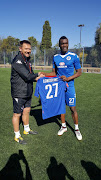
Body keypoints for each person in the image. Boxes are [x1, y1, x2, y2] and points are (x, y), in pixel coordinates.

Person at [41, 36, 82, 140]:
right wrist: (44, 74)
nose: (64, 45)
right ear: (59, 45)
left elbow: (79, 72)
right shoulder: (55, 57)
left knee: (72, 108)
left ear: (68, 44)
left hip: (70, 87)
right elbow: (54, 73)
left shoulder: (74, 56)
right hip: (59, 87)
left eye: (66, 43)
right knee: (61, 107)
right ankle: (63, 126)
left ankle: (76, 129)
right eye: (62, 43)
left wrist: (68, 78)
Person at [11, 40, 44, 144]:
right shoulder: (17, 61)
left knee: (27, 111)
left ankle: (26, 129)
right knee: (17, 114)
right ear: (20, 49)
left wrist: (38, 76)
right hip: (19, 92)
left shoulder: (28, 60)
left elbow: (31, 74)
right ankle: (17, 136)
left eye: (29, 49)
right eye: (26, 48)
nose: (28, 51)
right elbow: (27, 76)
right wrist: (37, 76)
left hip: (28, 91)